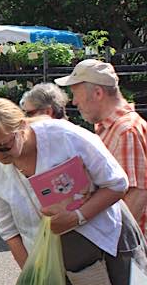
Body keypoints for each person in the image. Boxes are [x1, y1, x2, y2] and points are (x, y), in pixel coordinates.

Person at [0, 97, 147, 285]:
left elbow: (117, 183)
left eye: (4, 147)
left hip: (104, 242)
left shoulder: (64, 136)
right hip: (48, 260)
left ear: (21, 126)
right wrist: (35, 276)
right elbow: (9, 231)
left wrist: (77, 217)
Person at [56, 59, 147, 235]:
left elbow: (136, 195)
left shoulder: (126, 130)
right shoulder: (111, 128)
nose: (74, 102)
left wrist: (115, 245)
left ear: (98, 93)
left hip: (125, 249)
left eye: (76, 94)